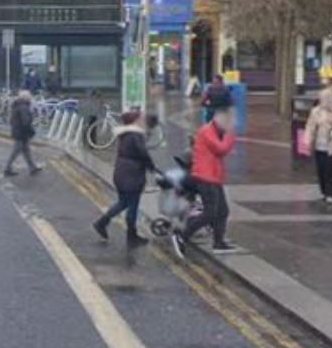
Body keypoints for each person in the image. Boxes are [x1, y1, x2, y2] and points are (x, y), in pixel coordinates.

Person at [173, 107, 237, 257]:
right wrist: (230, 135)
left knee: (222, 211)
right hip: (205, 177)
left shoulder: (216, 131)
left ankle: (218, 243)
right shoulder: (207, 131)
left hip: (214, 177)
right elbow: (221, 149)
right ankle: (182, 236)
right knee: (210, 213)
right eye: (228, 120)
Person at [93, 110, 158, 247]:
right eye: (140, 118)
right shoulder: (135, 135)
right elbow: (143, 153)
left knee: (123, 202)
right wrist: (152, 167)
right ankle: (131, 235)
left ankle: (102, 223)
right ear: (134, 121)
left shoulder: (126, 133)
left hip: (122, 172)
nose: (142, 120)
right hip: (132, 175)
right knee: (132, 206)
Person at [3, 90, 42, 176]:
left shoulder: (18, 105)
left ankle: (32, 167)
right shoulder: (23, 107)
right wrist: (31, 131)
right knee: (16, 151)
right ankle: (7, 168)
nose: (31, 98)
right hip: (21, 133)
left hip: (18, 131)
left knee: (26, 150)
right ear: (26, 98)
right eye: (30, 97)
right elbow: (26, 122)